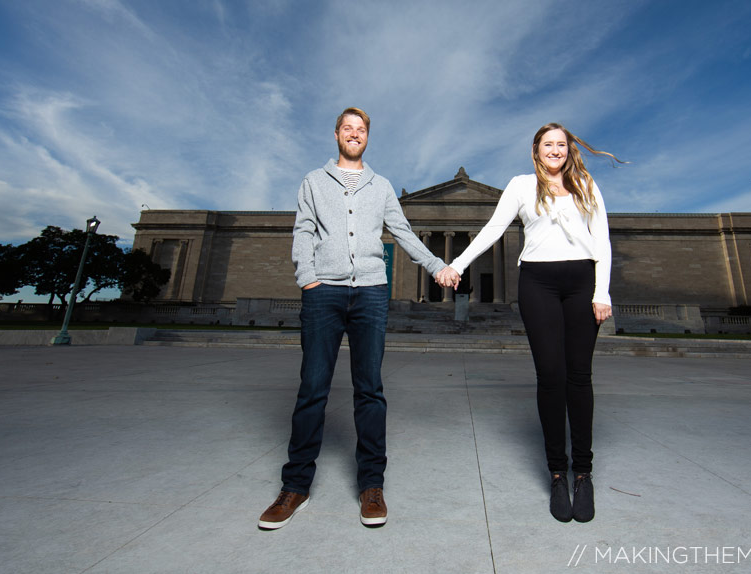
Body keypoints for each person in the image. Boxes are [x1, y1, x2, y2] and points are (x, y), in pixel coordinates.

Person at [259, 107, 460, 530]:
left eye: (361, 129)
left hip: (370, 292)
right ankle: (294, 486)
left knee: (370, 390)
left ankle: (372, 485)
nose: (355, 134)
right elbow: (303, 230)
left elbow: (403, 232)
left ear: (368, 137)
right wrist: (307, 278)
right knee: (313, 388)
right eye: (348, 128)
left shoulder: (381, 186)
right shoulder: (314, 181)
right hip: (324, 293)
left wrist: (437, 266)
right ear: (336, 135)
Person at [441, 122, 619, 523]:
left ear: (569, 150)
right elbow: (493, 229)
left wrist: (601, 292)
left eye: (561, 144)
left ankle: (583, 473)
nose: (555, 150)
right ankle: (557, 472)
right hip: (537, 282)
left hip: (581, 283)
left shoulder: (586, 184)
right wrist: (456, 264)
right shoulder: (521, 186)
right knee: (550, 376)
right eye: (547, 144)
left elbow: (602, 239)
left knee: (579, 377)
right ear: (536, 150)